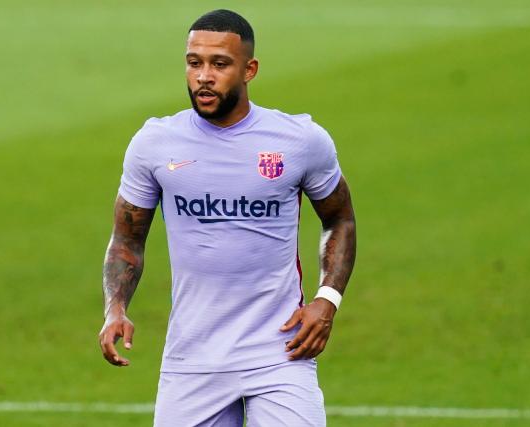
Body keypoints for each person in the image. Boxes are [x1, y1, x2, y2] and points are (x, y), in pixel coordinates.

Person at [98, 9, 356, 427]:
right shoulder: (155, 144)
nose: (204, 76)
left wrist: (327, 300)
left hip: (280, 354)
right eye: (194, 62)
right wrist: (115, 308)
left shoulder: (299, 141)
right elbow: (127, 239)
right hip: (192, 359)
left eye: (219, 64)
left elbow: (340, 219)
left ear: (249, 70)